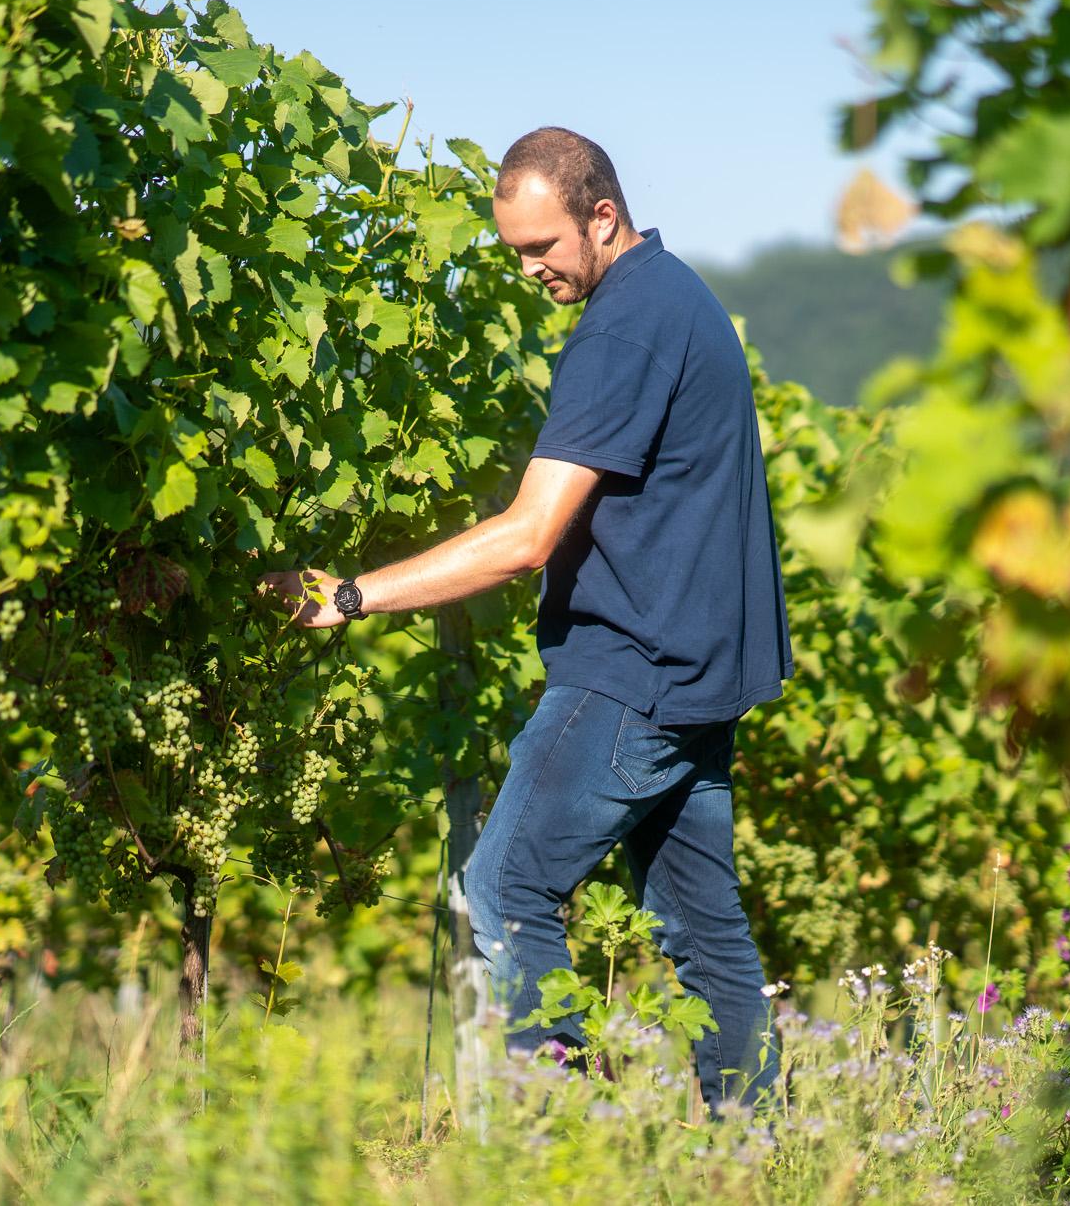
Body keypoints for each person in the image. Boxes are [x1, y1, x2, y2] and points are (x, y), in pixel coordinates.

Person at [256, 126, 792, 1111]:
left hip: (630, 674)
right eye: (512, 251)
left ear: (601, 216)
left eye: (541, 246)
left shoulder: (624, 329)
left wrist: (354, 594)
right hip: (698, 677)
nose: (528, 269)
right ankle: (759, 1149)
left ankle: (558, 1129)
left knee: (503, 889)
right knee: (704, 933)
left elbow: (528, 535)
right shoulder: (681, 300)